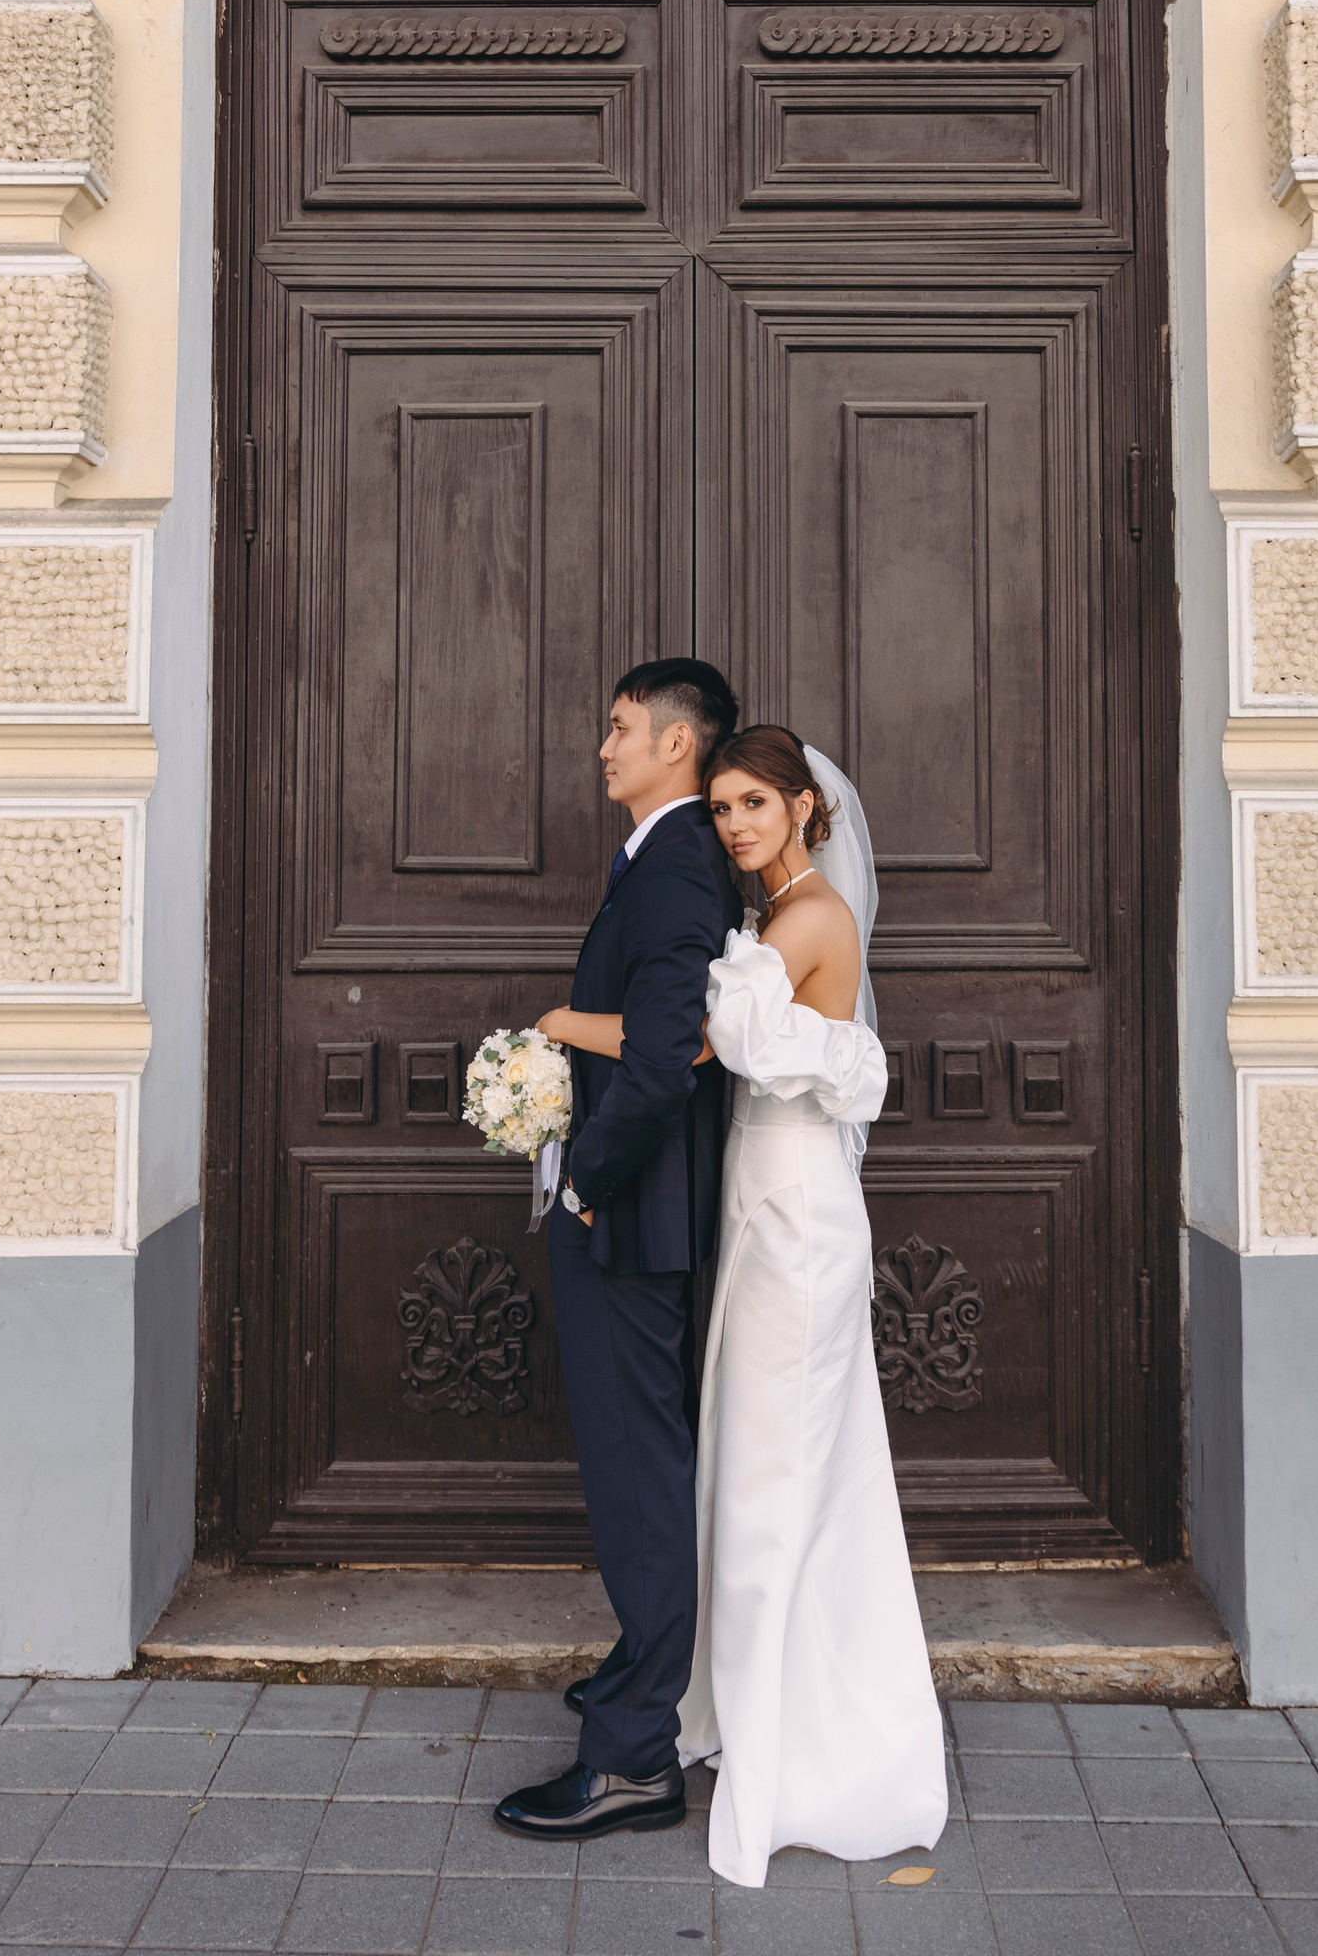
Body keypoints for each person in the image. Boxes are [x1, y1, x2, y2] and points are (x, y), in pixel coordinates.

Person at [522, 721, 948, 1887]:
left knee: (775, 1473)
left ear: (805, 807)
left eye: (756, 803)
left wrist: (558, 1028)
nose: (736, 825)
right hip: (762, 1204)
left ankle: (782, 1743)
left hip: (800, 1215)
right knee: (755, 1461)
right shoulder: (771, 920)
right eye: (721, 808)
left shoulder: (809, 921)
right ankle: (737, 1701)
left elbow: (696, 1046)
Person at [493, 656, 742, 1845]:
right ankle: (636, 1677)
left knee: (640, 1483)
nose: (604, 746)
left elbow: (664, 1053)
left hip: (631, 1225)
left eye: (621, 727)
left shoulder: (680, 863)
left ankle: (636, 1757)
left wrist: (587, 1183)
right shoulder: (659, 858)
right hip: (631, 1219)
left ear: (676, 744)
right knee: (637, 1472)